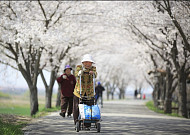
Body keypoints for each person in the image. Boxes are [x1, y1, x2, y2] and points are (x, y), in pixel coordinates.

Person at [73, 54, 97, 127]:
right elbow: (76, 74)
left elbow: (95, 75)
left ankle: (87, 124)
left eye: (89, 62)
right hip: (79, 91)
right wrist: (80, 72)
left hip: (89, 92)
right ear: (83, 63)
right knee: (76, 107)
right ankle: (76, 122)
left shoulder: (93, 68)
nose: (88, 64)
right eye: (86, 62)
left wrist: (93, 73)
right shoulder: (79, 67)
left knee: (89, 107)